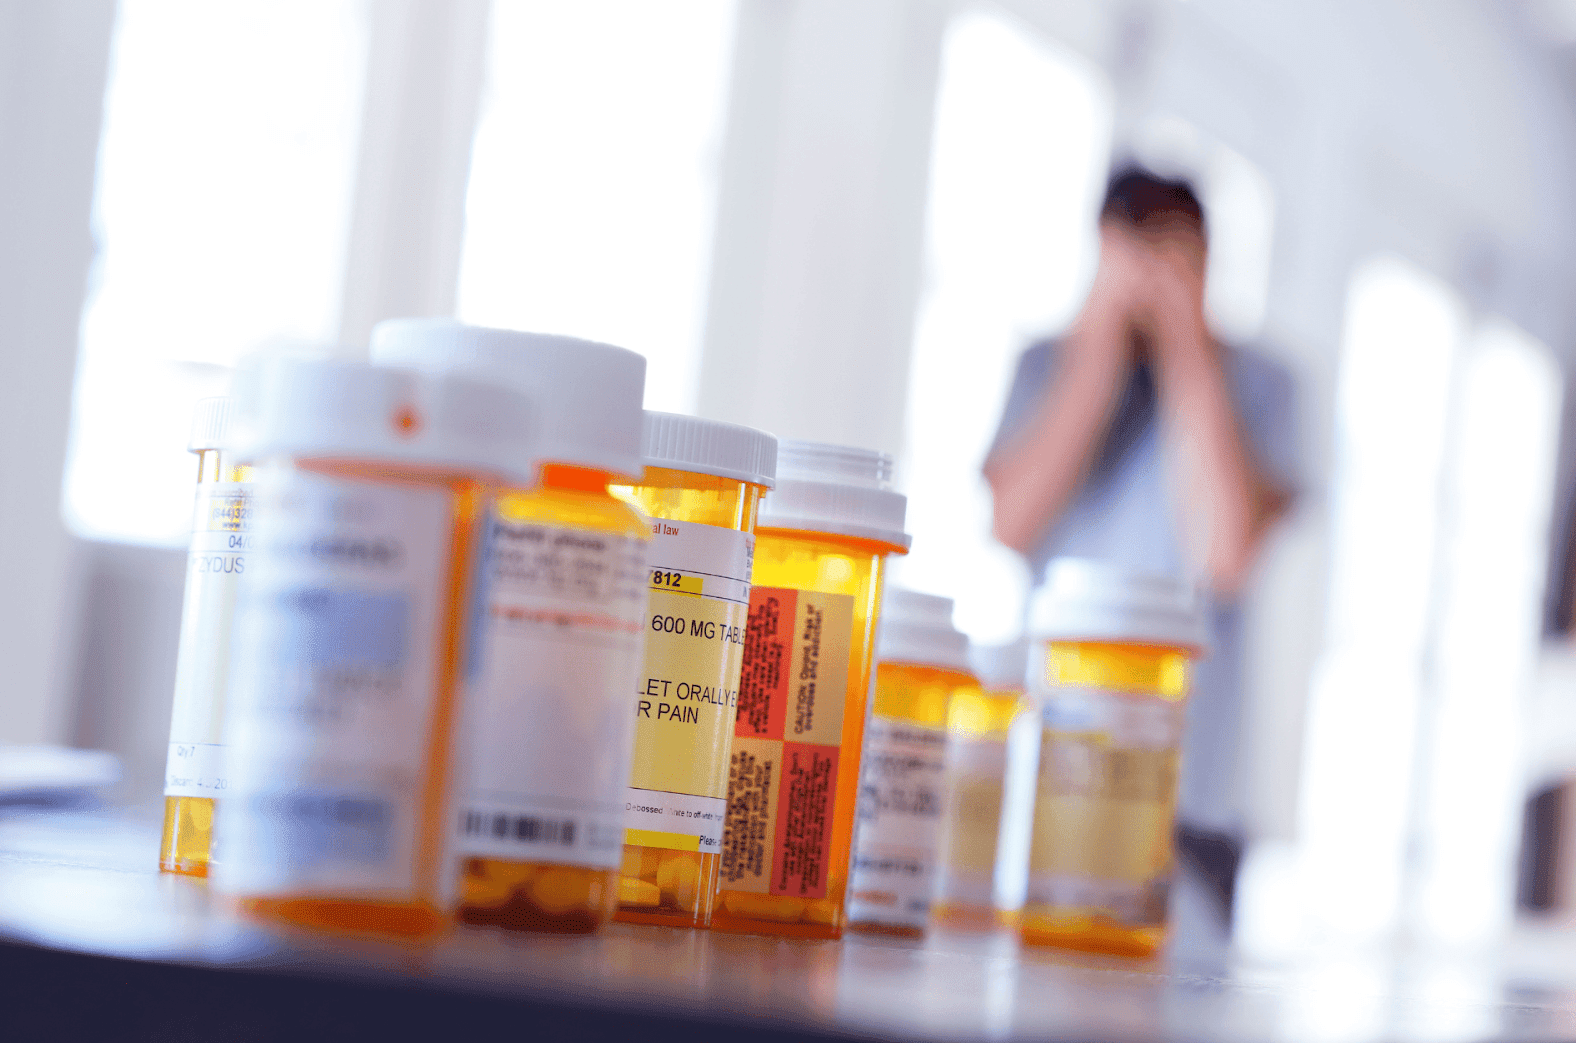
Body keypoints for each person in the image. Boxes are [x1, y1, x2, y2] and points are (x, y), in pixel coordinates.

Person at [984, 164, 1299, 920]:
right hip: (1051, 772)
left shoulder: (1264, 383)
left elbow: (1227, 552)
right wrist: (1098, 356)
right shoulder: (1043, 364)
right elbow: (1010, 524)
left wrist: (1188, 350)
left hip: (1194, 803)